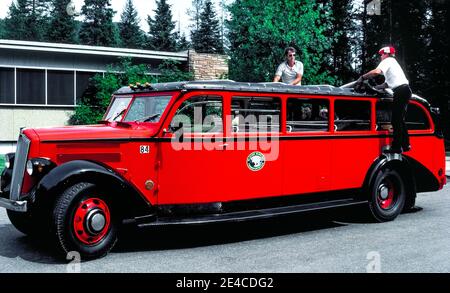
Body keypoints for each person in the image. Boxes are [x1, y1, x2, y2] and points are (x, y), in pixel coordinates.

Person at [360, 46, 412, 153]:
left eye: (382, 54)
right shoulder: (393, 63)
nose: (381, 56)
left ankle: (397, 147)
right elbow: (388, 83)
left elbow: (376, 72)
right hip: (405, 90)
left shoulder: (388, 60)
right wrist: (377, 87)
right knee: (400, 119)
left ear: (387, 54)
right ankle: (406, 145)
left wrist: (363, 77)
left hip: (401, 91)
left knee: (395, 120)